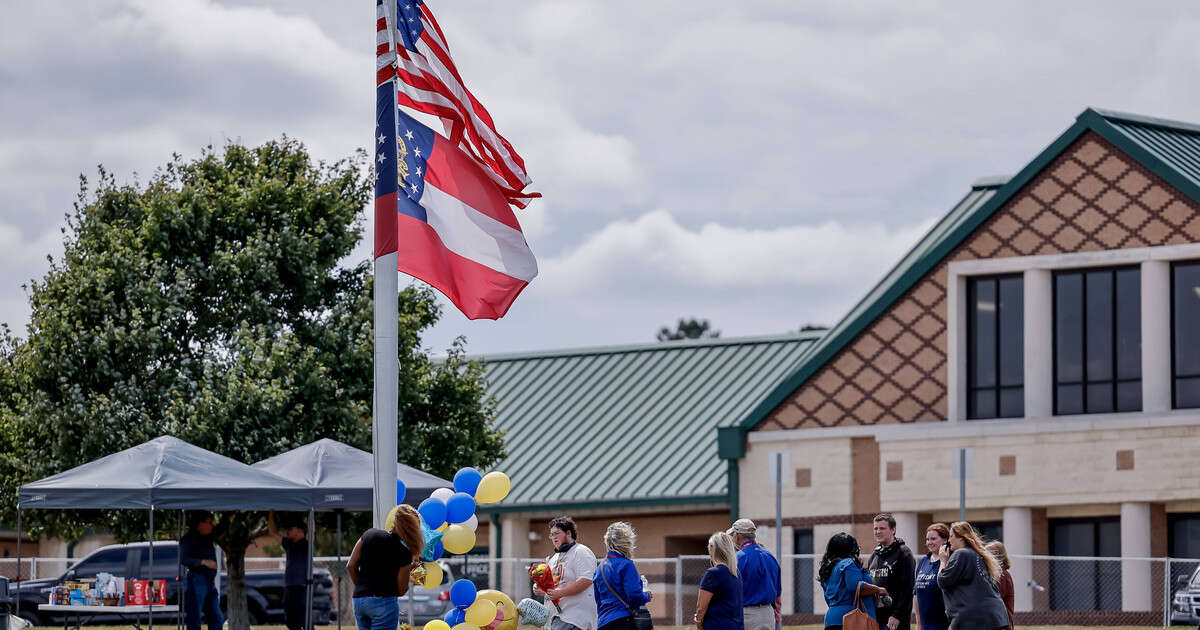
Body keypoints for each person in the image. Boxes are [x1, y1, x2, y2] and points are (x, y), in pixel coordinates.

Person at [347, 505, 423, 630]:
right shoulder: (403, 552)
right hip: (383, 602)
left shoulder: (369, 534)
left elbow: (350, 565)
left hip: (359, 601)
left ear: (395, 521)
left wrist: (362, 588)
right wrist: (410, 569)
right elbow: (401, 590)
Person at [936, 522, 1009, 630]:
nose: (949, 540)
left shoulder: (961, 554)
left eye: (951, 536)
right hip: (994, 616)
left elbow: (942, 580)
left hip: (974, 617)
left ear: (961, 537)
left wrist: (943, 561)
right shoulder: (978, 555)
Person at [535, 516, 598, 630]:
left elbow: (586, 580)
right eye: (551, 535)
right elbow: (551, 584)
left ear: (568, 533)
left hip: (574, 618)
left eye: (557, 533)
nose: (553, 537)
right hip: (556, 617)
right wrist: (540, 587)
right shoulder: (554, 558)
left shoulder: (581, 551)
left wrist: (561, 593)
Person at [820, 532, 887, 630]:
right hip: (852, 619)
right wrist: (878, 589)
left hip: (831, 619)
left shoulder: (828, 569)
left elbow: (828, 598)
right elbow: (855, 586)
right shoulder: (848, 563)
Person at [593, 522, 651, 630]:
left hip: (603, 622)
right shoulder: (626, 564)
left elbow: (598, 600)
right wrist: (647, 595)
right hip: (624, 620)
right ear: (626, 542)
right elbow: (634, 596)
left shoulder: (599, 568)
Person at [727, 519, 781, 630]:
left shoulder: (738, 558)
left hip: (747, 614)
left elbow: (730, 591)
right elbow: (778, 591)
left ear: (737, 536)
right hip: (768, 613)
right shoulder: (770, 556)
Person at [867, 514, 915, 630]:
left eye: (882, 528)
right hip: (875, 618)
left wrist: (897, 615)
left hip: (894, 621)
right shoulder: (874, 555)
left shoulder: (904, 553)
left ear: (893, 530)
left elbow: (907, 589)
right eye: (875, 528)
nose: (878, 532)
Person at [181, 511, 223, 630]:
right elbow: (184, 559)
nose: (212, 525)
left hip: (210, 582)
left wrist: (231, 515)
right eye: (209, 522)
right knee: (195, 617)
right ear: (199, 524)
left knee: (217, 616)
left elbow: (220, 529)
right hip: (197, 579)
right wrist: (203, 562)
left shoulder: (208, 537)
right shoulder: (188, 539)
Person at [270, 511, 310, 630]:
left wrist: (309, 511)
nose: (288, 531)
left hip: (302, 588)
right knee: (291, 622)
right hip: (289, 587)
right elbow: (272, 532)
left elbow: (312, 530)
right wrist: (271, 512)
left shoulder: (306, 544)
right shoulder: (288, 544)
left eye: (291, 529)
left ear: (299, 531)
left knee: (305, 620)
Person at [695, 531, 743, 630]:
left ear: (713, 548)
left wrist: (699, 622)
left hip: (717, 624)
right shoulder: (736, 573)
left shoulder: (713, 573)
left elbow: (701, 607)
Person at [913, 524, 950, 630]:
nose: (929, 542)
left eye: (933, 539)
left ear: (945, 540)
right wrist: (918, 623)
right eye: (927, 539)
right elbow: (916, 594)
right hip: (925, 625)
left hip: (943, 625)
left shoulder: (949, 561)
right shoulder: (923, 561)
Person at [984, 542, 1014, 629]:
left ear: (996, 557)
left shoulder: (1002, 575)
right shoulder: (995, 574)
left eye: (986, 555)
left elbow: (994, 599)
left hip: (1001, 624)